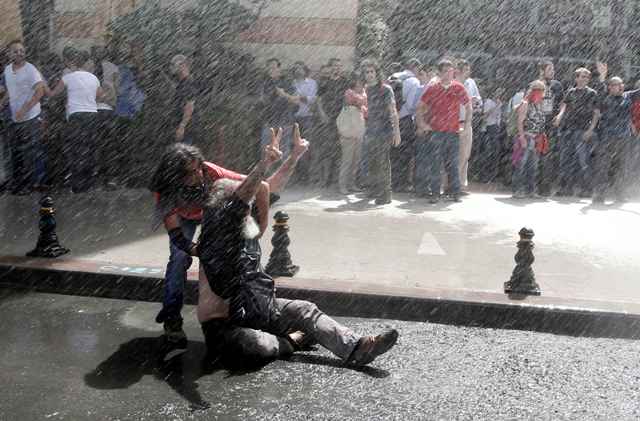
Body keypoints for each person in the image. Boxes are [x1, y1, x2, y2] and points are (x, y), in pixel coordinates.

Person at [196, 127, 398, 368]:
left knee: (304, 309)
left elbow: (269, 186)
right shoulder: (218, 232)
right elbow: (245, 194)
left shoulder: (245, 223)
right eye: (244, 201)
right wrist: (264, 163)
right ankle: (291, 341)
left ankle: (358, 347)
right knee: (256, 345)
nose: (251, 204)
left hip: (260, 309)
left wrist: (294, 156)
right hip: (228, 326)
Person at [149, 123, 310, 351]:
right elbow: (177, 237)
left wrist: (261, 226)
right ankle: (172, 318)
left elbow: (261, 186)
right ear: (175, 176)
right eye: (190, 173)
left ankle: (250, 311)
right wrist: (201, 250)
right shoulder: (166, 190)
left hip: (211, 213)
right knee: (178, 259)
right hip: (184, 217)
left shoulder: (211, 173)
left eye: (198, 169)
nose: (198, 175)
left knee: (241, 250)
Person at [415, 59, 471, 203]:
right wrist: (422, 124)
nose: (448, 74)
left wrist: (466, 126)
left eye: (450, 71)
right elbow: (419, 107)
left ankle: (455, 192)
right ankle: (435, 193)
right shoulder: (433, 88)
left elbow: (468, 106)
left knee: (452, 164)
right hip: (436, 132)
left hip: (452, 132)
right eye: (445, 71)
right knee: (435, 164)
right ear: (439, 73)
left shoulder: (458, 87)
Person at [48, 47, 102, 193]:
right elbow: (99, 96)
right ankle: (89, 183)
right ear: (85, 63)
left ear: (73, 63)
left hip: (76, 115)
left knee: (76, 150)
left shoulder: (68, 77)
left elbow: (53, 94)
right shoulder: (94, 78)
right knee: (90, 149)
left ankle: (77, 185)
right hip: (92, 115)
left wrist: (44, 87)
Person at [0, 39, 47, 195]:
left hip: (30, 116)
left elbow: (40, 91)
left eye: (22, 50)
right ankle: (18, 184)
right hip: (15, 118)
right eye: (16, 51)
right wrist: (1, 103)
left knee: (28, 152)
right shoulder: (7, 70)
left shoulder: (30, 69)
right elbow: (10, 91)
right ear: (9, 54)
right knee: (15, 151)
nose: (19, 53)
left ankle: (29, 185)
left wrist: (24, 109)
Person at [591, 77, 640, 204]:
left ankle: (620, 194)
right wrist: (602, 78)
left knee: (622, 166)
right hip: (607, 138)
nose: (614, 87)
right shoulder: (604, 98)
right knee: (603, 166)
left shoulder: (628, 96)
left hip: (623, 138)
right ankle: (599, 194)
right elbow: (599, 91)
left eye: (617, 84)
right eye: (612, 85)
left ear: (622, 86)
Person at [552, 67, 599, 197]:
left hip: (582, 130)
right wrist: (559, 116)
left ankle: (587, 190)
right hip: (567, 130)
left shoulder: (592, 93)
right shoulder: (570, 92)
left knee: (583, 161)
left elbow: (596, 113)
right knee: (565, 160)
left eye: (586, 77)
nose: (584, 79)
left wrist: (590, 130)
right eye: (582, 76)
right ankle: (566, 189)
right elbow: (564, 106)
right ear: (576, 78)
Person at [361, 59, 401, 205]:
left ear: (377, 73)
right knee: (370, 162)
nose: (369, 74)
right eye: (367, 72)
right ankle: (373, 189)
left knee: (382, 162)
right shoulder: (364, 90)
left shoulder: (385, 89)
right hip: (369, 130)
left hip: (384, 130)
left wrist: (396, 131)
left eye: (372, 71)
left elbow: (393, 110)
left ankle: (385, 194)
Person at [88, 45, 119, 189]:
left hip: (94, 110)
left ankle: (97, 177)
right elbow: (117, 89)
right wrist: (110, 97)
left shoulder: (88, 67)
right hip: (106, 109)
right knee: (108, 145)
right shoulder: (113, 68)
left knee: (95, 144)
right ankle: (109, 177)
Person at [512, 80, 547, 199]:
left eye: (542, 90)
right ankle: (517, 190)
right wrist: (522, 137)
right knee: (520, 164)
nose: (541, 93)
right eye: (539, 90)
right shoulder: (525, 103)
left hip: (536, 139)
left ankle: (530, 190)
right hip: (526, 137)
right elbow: (520, 122)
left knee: (532, 166)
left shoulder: (539, 105)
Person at [392, 58, 421, 192]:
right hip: (404, 121)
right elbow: (411, 105)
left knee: (393, 152)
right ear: (415, 68)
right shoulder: (414, 81)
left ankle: (391, 181)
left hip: (390, 120)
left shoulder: (393, 76)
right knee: (404, 154)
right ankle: (400, 184)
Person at [259, 58, 299, 160]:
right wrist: (264, 98)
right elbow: (262, 101)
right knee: (266, 152)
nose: (271, 70)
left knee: (283, 153)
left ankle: (282, 170)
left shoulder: (287, 82)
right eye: (269, 68)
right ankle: (268, 170)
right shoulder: (264, 82)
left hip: (285, 122)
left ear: (279, 69)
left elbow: (296, 101)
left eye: (274, 67)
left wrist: (283, 94)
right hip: (269, 121)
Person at [337, 71, 367, 195]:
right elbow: (358, 101)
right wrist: (363, 95)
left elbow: (364, 108)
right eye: (359, 82)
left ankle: (351, 184)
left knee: (356, 160)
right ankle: (342, 185)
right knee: (347, 160)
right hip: (348, 132)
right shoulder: (349, 92)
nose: (361, 85)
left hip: (358, 132)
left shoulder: (362, 94)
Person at [455, 59, 482, 192]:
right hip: (453, 123)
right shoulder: (453, 83)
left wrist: (476, 101)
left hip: (467, 122)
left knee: (465, 154)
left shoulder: (471, 83)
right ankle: (451, 184)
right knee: (452, 155)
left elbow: (479, 101)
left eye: (468, 69)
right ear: (459, 71)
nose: (469, 72)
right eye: (466, 70)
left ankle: (460, 184)